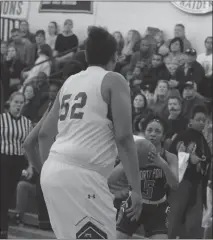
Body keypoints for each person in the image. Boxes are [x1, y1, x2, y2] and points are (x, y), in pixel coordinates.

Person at [37, 26, 143, 239]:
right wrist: (136, 189)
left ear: (86, 54)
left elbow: (43, 135)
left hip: (52, 171)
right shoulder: (114, 80)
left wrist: (49, 173)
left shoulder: (69, 82)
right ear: (115, 56)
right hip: (84, 176)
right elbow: (123, 138)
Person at [108, 115, 178, 239]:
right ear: (144, 133)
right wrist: (128, 161)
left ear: (163, 136)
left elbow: (175, 185)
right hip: (133, 204)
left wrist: (162, 164)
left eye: (157, 131)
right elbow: (111, 179)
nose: (153, 134)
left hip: (157, 208)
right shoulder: (134, 152)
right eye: (149, 130)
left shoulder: (170, 157)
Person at [168, 105, 211, 239]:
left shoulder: (204, 141)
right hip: (181, 183)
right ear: (191, 120)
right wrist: (187, 158)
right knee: (174, 219)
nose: (202, 123)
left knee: (193, 224)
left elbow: (207, 161)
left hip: (198, 186)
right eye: (198, 119)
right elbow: (170, 155)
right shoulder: (182, 136)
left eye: (204, 120)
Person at [0, 92, 33, 239]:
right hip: (3, 158)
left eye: (21, 102)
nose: (19, 105)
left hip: (18, 160)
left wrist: (30, 166)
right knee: (3, 193)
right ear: (10, 103)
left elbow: (28, 147)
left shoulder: (27, 123)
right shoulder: (2, 119)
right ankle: (3, 230)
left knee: (9, 192)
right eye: (16, 102)